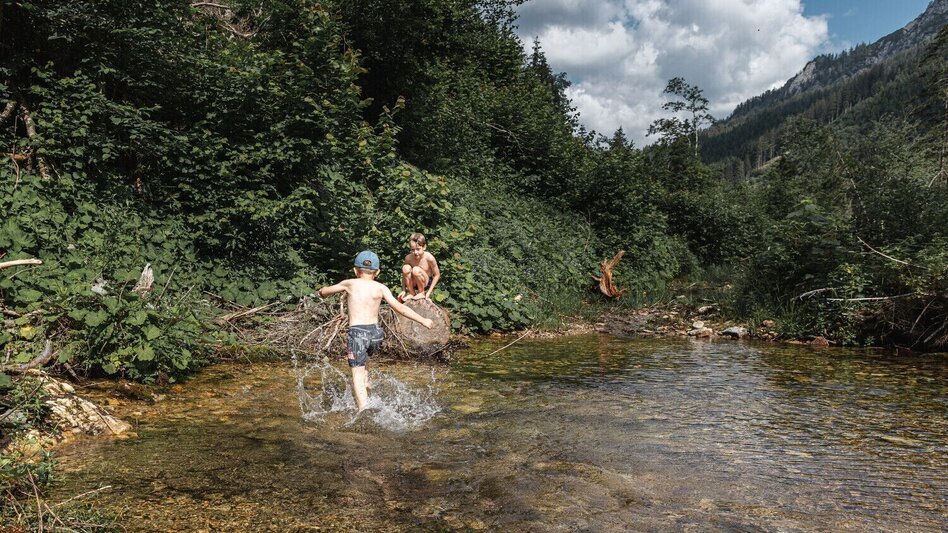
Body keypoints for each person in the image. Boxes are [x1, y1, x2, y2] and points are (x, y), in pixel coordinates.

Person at [318, 250, 433, 411]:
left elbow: (324, 292)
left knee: (356, 375)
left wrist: (321, 291)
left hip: (358, 334)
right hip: (375, 335)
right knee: (363, 366)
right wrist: (423, 320)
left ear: (355, 270)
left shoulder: (349, 283)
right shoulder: (381, 288)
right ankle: (367, 389)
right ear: (377, 272)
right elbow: (399, 307)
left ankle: (364, 409)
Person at [398, 233, 441, 301]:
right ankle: (411, 292)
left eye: (418, 249)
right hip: (414, 282)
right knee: (405, 268)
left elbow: (437, 275)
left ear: (424, 247)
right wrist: (403, 290)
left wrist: (429, 292)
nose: (415, 252)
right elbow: (404, 274)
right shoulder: (408, 258)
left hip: (425, 282)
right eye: (412, 249)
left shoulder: (429, 258)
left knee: (416, 269)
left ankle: (422, 292)